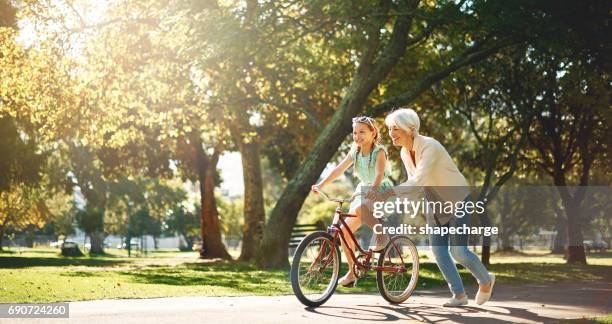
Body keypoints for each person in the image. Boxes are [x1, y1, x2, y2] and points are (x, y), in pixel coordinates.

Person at [379, 108, 495, 307]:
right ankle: (459, 295)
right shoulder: (405, 152)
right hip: (435, 204)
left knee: (458, 251)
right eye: (390, 128)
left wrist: (390, 192)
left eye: (396, 128)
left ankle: (485, 280)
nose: (391, 133)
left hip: (457, 199)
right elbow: (414, 185)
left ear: (411, 128)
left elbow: (418, 180)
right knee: (439, 251)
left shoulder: (430, 146)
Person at [311, 116, 392, 287]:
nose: (357, 136)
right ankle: (352, 270)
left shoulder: (380, 151)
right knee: (344, 231)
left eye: (362, 132)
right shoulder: (355, 151)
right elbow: (339, 169)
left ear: (373, 133)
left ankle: (381, 235)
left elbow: (378, 174)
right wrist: (321, 184)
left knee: (361, 207)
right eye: (355, 132)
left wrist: (373, 190)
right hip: (363, 190)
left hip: (382, 190)